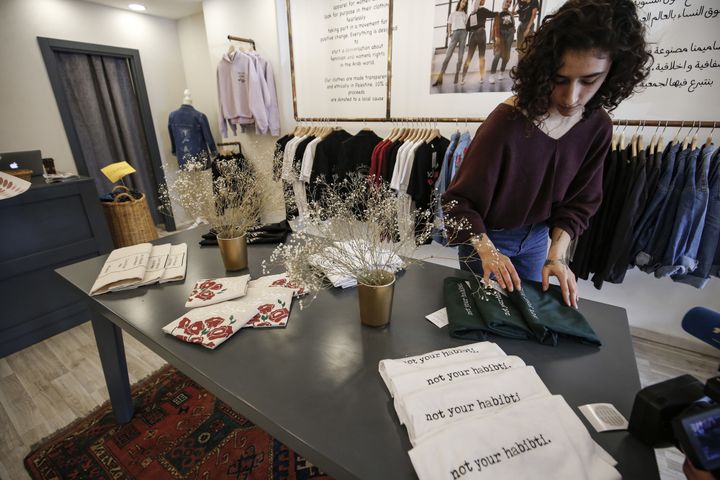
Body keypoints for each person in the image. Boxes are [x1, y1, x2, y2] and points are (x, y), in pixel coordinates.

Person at [443, 0, 652, 307]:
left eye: (589, 81)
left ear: (613, 72)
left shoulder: (597, 128)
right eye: (561, 79)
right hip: (490, 237)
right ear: (545, 69)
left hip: (539, 239)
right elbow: (456, 201)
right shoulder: (508, 123)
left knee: (531, 319)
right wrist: (486, 250)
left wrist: (558, 257)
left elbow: (580, 202)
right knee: (487, 320)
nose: (572, 96)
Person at [433, 0, 469, 86]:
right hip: (455, 33)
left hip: (463, 34)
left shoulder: (465, 15)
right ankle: (440, 78)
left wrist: (465, 34)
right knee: (447, 57)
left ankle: (457, 74)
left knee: (460, 58)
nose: (463, 4)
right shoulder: (453, 13)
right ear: (460, 2)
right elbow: (449, 24)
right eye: (463, 1)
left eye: (465, 3)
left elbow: (467, 27)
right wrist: (449, 33)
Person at [460, 0, 496, 85]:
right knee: (481, 57)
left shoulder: (472, 14)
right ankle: (481, 78)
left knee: (469, 57)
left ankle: (462, 79)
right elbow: (493, 14)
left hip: (472, 35)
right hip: (481, 33)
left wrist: (474, 25)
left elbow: (467, 28)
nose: (484, 1)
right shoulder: (483, 10)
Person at [488, 0, 515, 84]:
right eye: (507, 2)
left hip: (510, 33)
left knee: (507, 56)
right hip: (501, 34)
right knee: (498, 54)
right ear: (503, 2)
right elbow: (495, 27)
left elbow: (513, 23)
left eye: (510, 3)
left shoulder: (510, 14)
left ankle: (501, 72)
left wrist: (513, 29)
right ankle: (492, 75)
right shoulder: (498, 14)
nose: (508, 4)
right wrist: (495, 38)